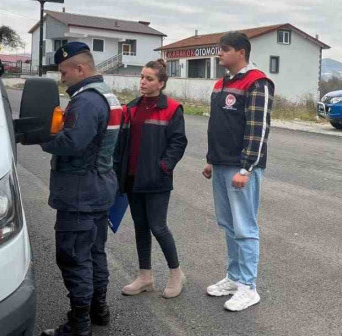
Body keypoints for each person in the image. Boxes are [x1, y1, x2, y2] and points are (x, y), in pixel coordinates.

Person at [39, 42, 122, 336]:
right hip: (99, 187)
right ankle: (98, 310)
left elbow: (73, 143)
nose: (62, 79)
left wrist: (43, 139)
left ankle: (79, 324)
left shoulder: (86, 101)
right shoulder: (107, 95)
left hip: (79, 193)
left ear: (80, 69)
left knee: (75, 258)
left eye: (64, 72)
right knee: (94, 253)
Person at [202, 31, 274, 312]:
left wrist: (246, 167)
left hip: (241, 168)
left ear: (241, 53)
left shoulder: (258, 82)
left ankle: (248, 287)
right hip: (220, 164)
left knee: (245, 227)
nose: (220, 53)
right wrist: (211, 159)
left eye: (225, 49)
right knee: (228, 224)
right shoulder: (220, 83)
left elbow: (258, 130)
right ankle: (234, 278)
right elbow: (217, 126)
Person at [113, 60, 188, 299]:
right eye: (142, 78)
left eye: (149, 79)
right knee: (141, 227)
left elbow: (178, 143)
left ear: (161, 83)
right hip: (133, 179)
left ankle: (176, 274)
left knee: (158, 226)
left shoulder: (172, 108)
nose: (143, 82)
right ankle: (145, 276)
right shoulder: (131, 108)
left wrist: (164, 166)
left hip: (156, 180)